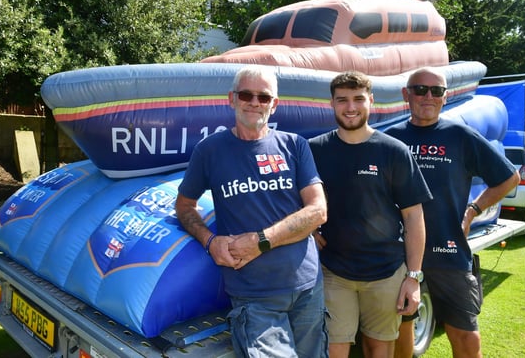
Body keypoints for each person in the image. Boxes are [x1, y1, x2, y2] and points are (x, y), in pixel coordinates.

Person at [175, 65, 329, 357]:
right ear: (232, 98)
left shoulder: (294, 146)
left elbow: (318, 211)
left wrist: (261, 241)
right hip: (254, 297)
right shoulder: (209, 151)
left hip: (308, 288)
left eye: (264, 96)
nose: (255, 103)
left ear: (275, 104)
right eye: (247, 94)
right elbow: (184, 206)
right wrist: (209, 241)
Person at [387, 67, 520, 358]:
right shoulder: (389, 139)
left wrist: (472, 211)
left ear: (445, 97)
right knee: (401, 329)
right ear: (405, 95)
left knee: (465, 334)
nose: (429, 96)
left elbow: (509, 177)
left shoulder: (461, 136)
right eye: (420, 89)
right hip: (399, 253)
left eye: (437, 91)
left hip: (448, 250)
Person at [308, 71, 432, 358]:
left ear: (371, 101)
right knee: (334, 350)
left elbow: (414, 218)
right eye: (342, 100)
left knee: (379, 349)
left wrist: (413, 278)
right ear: (332, 103)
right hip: (334, 272)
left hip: (386, 272)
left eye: (358, 99)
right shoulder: (315, 151)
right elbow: (296, 203)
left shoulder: (393, 152)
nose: (350, 107)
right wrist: (309, 231)